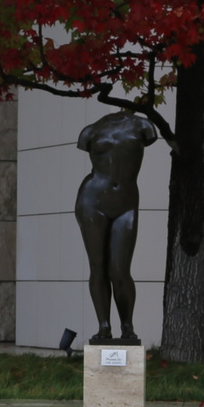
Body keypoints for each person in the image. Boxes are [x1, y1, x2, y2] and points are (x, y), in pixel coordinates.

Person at [75, 109, 158, 344]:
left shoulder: (143, 126)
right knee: (98, 266)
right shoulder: (90, 131)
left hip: (126, 204)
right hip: (92, 201)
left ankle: (127, 325)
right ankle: (104, 326)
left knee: (120, 269)